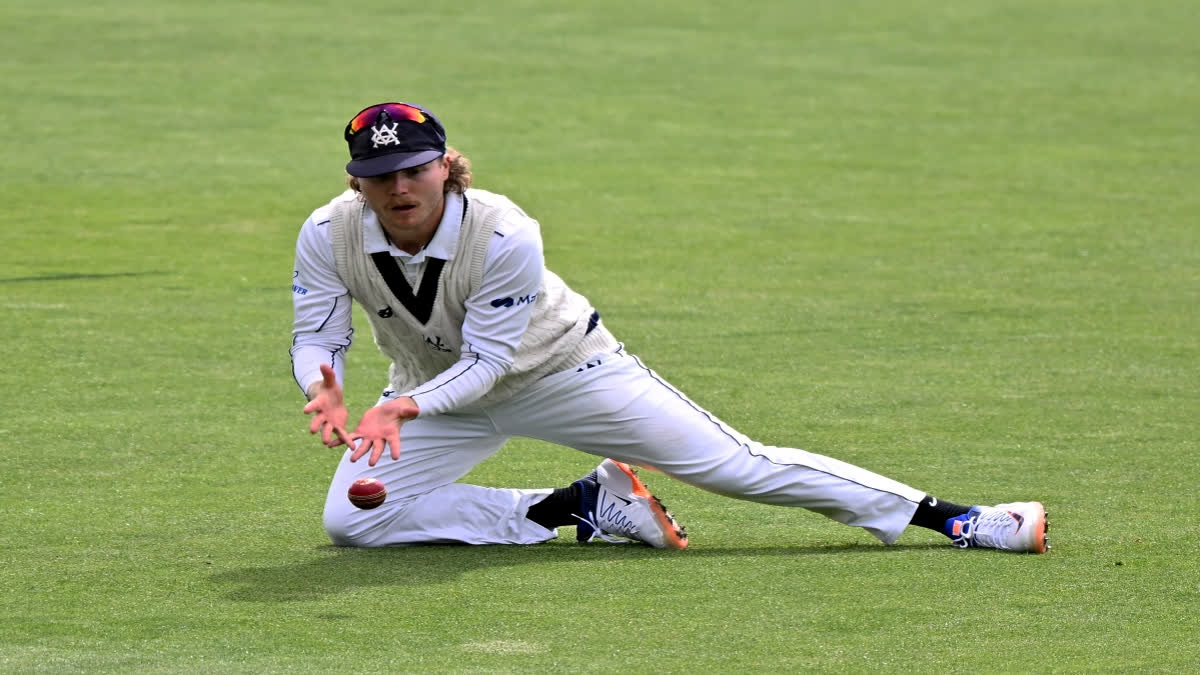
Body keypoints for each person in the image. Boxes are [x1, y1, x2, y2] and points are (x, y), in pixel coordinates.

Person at [290, 101, 1050, 553]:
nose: (399, 187)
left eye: (414, 169)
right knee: (354, 518)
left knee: (736, 464)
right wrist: (321, 381)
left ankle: (961, 518)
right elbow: (317, 334)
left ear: (445, 167)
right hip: (428, 394)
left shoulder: (504, 232)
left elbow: (491, 362)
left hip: (565, 373)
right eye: (379, 175)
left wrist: (402, 405)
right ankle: (574, 506)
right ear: (355, 179)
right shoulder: (328, 232)